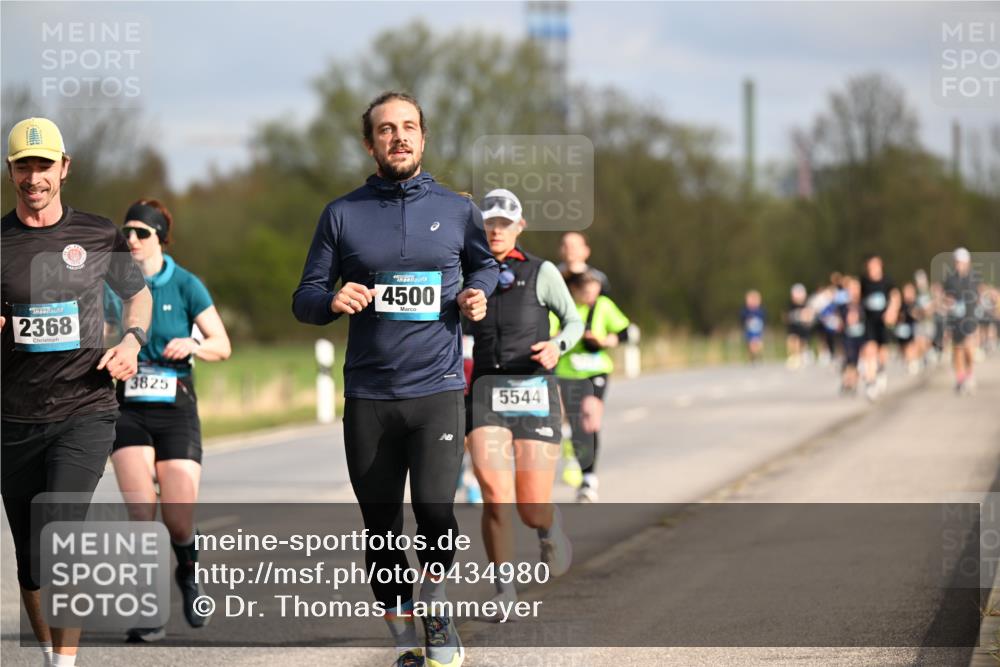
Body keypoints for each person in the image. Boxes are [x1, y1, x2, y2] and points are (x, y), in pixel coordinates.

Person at [292, 91, 497, 667]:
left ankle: (434, 603)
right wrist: (333, 299)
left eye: (409, 127)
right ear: (370, 143)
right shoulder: (342, 213)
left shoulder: (458, 210)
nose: (399, 137)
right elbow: (303, 298)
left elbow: (485, 263)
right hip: (369, 397)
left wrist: (478, 291)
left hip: (436, 391)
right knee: (380, 527)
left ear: (424, 138)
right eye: (386, 129)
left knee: (435, 511)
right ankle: (406, 643)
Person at [1, 118, 152, 667]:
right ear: (11, 171)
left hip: (84, 408)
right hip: (13, 417)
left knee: (61, 535)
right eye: (24, 165)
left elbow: (137, 297)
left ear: (64, 168)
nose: (34, 176)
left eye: (44, 165)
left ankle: (64, 665)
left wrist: (133, 342)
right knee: (32, 561)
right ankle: (49, 655)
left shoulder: (97, 233)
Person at [103, 198, 232, 642]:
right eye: (127, 232)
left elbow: (222, 344)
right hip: (129, 409)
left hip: (176, 407)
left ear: (160, 237)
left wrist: (193, 346)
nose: (132, 240)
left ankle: (188, 573)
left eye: (142, 232)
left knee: (178, 518)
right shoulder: (113, 287)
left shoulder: (186, 284)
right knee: (141, 513)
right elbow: (94, 332)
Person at [465, 188, 583, 606]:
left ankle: (548, 527)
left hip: (534, 393)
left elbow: (572, 321)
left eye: (503, 222)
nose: (495, 230)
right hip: (484, 397)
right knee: (496, 496)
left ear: (519, 226)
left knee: (530, 506)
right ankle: (504, 588)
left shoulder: (542, 271)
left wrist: (558, 347)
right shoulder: (466, 271)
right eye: (488, 222)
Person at [554, 271, 631, 502]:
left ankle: (589, 478)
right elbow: (549, 332)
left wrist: (604, 340)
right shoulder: (564, 306)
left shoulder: (604, 306)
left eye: (594, 291)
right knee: (578, 425)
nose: (590, 296)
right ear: (575, 290)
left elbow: (624, 332)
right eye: (585, 291)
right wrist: (569, 336)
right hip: (568, 371)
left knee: (590, 416)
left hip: (596, 370)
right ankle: (583, 469)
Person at [859, 254, 900, 401]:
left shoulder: (887, 281)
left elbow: (895, 297)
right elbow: (858, 297)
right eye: (870, 266)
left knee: (882, 352)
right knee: (870, 350)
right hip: (869, 321)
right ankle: (871, 383)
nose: (872, 269)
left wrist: (892, 311)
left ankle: (881, 370)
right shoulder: (864, 281)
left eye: (875, 265)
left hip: (883, 321)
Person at [944, 247, 980, 395]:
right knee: (958, 350)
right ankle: (960, 378)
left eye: (962, 262)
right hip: (956, 319)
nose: (959, 265)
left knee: (969, 350)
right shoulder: (950, 280)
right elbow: (946, 297)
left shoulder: (974, 278)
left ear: (968, 263)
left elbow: (978, 295)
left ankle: (970, 374)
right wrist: (949, 302)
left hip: (970, 319)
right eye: (957, 262)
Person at [557, 231, 612, 295]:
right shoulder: (551, 274)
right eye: (565, 246)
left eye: (573, 246)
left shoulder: (598, 278)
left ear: (586, 251)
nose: (569, 249)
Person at [838, 276, 866, 395]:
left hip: (862, 336)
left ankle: (853, 382)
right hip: (848, 336)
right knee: (849, 360)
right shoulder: (844, 306)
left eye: (856, 288)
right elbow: (839, 322)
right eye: (851, 288)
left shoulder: (863, 304)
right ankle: (848, 381)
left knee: (858, 361)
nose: (853, 291)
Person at [784, 283, 813, 369]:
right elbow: (786, 317)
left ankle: (803, 354)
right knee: (792, 339)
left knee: (802, 341)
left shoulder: (806, 305)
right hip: (793, 328)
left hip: (803, 329)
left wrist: (805, 318)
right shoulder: (790, 306)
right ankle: (793, 357)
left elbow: (809, 318)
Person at [740, 289, 765, 364]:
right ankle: (752, 358)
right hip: (749, 330)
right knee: (750, 344)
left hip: (758, 330)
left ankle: (757, 356)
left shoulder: (760, 311)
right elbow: (742, 319)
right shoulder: (745, 310)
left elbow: (764, 319)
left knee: (758, 344)